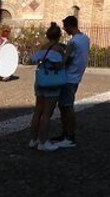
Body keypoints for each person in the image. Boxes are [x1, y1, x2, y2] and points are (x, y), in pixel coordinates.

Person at [50, 15, 90, 149]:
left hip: (68, 78)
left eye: (65, 27)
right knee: (64, 106)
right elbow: (76, 54)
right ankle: (65, 133)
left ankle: (70, 137)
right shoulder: (85, 38)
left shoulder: (73, 43)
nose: (64, 30)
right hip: (76, 77)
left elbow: (64, 62)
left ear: (70, 26)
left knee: (67, 108)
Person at [28, 22, 65, 152]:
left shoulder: (43, 47)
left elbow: (37, 61)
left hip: (40, 81)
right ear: (59, 36)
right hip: (51, 83)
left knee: (38, 111)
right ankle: (43, 142)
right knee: (47, 114)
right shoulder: (58, 49)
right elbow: (59, 66)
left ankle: (33, 140)